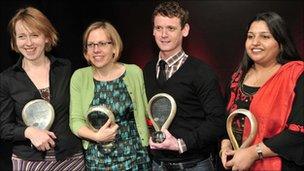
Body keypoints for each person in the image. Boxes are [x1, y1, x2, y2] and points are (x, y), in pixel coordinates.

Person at [143, 1, 226, 170]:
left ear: (185, 30)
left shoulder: (202, 72)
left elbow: (217, 122)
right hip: (157, 165)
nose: (163, 34)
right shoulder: (147, 70)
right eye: (159, 28)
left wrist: (181, 144)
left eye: (171, 28)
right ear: (153, 30)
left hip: (194, 165)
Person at [0, 7, 84, 171]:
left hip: (71, 159)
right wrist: (29, 132)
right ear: (14, 41)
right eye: (22, 36)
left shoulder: (65, 68)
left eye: (34, 35)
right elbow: (4, 127)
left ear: (46, 37)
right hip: (29, 162)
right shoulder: (7, 79)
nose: (28, 43)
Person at [220, 11, 304, 170]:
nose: (255, 42)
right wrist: (225, 144)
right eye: (250, 36)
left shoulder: (297, 75)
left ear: (281, 42)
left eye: (265, 37)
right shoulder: (237, 77)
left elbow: (298, 132)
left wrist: (253, 153)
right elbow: (226, 120)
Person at [69, 21, 151, 170]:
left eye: (102, 43)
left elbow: (148, 111)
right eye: (91, 45)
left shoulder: (134, 72)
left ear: (114, 47)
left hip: (136, 158)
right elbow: (75, 121)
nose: (96, 50)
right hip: (97, 161)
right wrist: (97, 137)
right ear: (86, 51)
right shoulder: (79, 77)